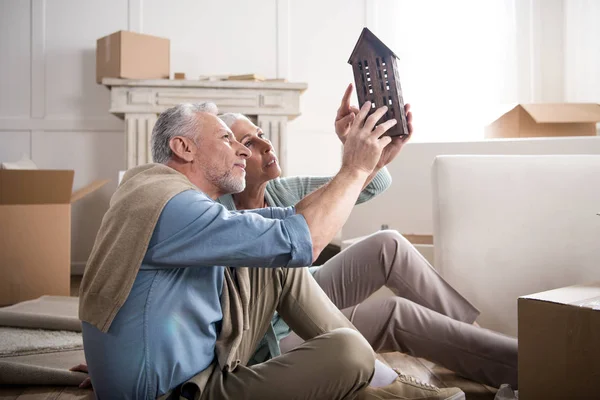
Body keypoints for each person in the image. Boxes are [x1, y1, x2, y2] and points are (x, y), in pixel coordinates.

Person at [77, 100, 465, 400]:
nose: (243, 151)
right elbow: (306, 240)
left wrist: (366, 165)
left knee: (277, 255)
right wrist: (354, 169)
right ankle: (379, 382)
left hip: (202, 366)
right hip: (181, 392)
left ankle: (382, 384)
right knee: (349, 351)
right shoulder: (171, 204)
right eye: (228, 139)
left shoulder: (162, 194)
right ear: (184, 148)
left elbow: (296, 223)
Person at [216, 83, 518, 390]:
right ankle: (520, 364)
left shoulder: (280, 190)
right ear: (231, 158)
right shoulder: (219, 214)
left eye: (262, 135)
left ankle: (489, 343)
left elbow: (366, 186)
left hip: (306, 292)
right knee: (395, 314)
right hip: (274, 337)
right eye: (249, 142)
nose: (265, 145)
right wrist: (357, 162)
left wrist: (367, 151)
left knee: (388, 245)